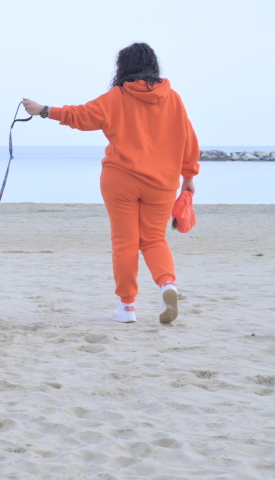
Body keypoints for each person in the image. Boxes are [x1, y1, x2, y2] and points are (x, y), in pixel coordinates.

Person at [21, 42, 200, 324]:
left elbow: (79, 116)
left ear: (123, 67)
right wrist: (189, 176)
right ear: (153, 65)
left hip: (121, 180)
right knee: (154, 239)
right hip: (163, 184)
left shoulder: (117, 96)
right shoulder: (173, 98)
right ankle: (167, 284)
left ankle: (127, 308)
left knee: (125, 243)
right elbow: (188, 138)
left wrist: (43, 110)